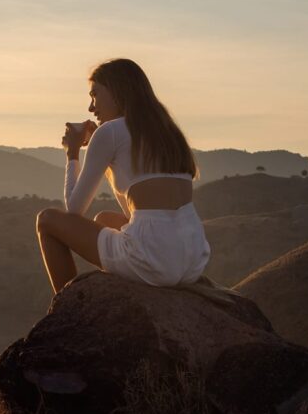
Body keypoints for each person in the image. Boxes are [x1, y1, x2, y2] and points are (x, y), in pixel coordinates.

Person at [35, 58, 210, 293]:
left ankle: (65, 304)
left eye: (95, 94)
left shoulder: (110, 131)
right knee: (105, 220)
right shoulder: (168, 131)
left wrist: (73, 153)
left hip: (153, 260)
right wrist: (108, 158)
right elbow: (134, 212)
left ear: (117, 90)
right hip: (192, 259)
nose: (91, 107)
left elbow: (74, 210)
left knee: (47, 220)